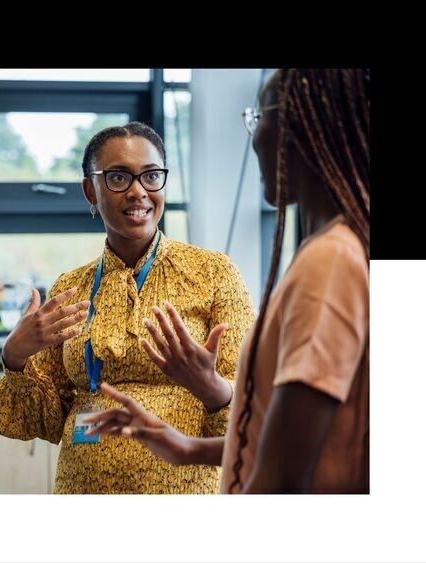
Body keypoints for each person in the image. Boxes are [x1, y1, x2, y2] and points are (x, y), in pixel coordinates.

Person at [85, 69, 370, 493]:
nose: (253, 138)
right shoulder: (334, 249)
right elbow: (287, 438)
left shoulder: (330, 262)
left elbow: (283, 478)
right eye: (119, 178)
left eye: (258, 117)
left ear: (302, 128)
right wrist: (187, 448)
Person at [0, 122, 255, 493]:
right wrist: (14, 357)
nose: (137, 192)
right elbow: (42, 422)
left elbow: (252, 422)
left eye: (151, 177)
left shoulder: (213, 274)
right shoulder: (70, 288)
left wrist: (213, 387)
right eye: (118, 177)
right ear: (90, 191)